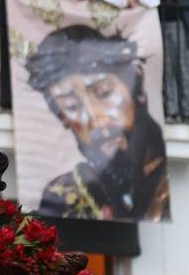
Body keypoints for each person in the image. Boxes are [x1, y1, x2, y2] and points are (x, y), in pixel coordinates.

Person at [27, 25, 170, 221]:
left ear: (136, 80)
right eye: (72, 106)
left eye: (104, 93)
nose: (97, 119)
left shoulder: (163, 181)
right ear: (63, 119)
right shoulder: (66, 192)